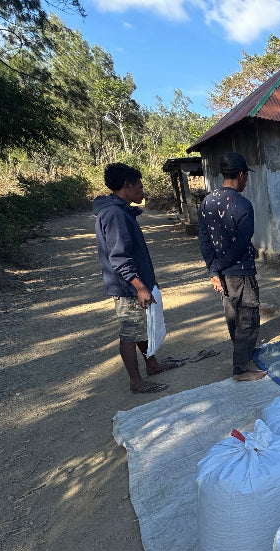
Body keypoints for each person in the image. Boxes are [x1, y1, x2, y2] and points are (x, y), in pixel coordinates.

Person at [94, 162, 181, 394]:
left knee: (143, 328)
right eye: (140, 186)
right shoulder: (114, 213)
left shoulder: (120, 210)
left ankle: (152, 364)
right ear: (127, 185)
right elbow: (119, 256)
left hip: (134, 284)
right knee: (130, 333)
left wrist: (148, 282)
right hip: (127, 288)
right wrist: (140, 286)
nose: (143, 191)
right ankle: (136, 381)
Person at [197, 151, 266, 382]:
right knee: (248, 318)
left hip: (223, 274)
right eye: (246, 176)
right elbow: (241, 244)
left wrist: (213, 271)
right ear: (240, 175)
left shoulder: (207, 202)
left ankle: (241, 359)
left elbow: (204, 240)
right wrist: (218, 266)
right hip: (241, 272)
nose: (246, 180)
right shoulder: (243, 204)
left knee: (232, 317)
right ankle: (241, 369)